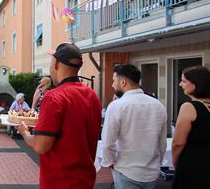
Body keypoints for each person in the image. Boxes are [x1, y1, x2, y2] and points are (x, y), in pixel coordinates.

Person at [18, 43, 102, 189]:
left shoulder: (53, 97)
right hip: (85, 182)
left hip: (59, 183)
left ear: (56, 63)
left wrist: (24, 132)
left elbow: (41, 146)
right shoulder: (93, 95)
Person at [101, 64, 167, 189]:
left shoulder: (116, 106)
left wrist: (110, 162)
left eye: (114, 80)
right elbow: (162, 143)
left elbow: (107, 143)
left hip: (126, 170)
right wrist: (158, 163)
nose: (112, 85)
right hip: (151, 172)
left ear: (123, 81)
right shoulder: (158, 105)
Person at [172, 66, 210, 189]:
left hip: (194, 163)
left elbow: (178, 143)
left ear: (194, 84)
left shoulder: (189, 107)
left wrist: (175, 161)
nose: (180, 84)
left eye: (184, 81)